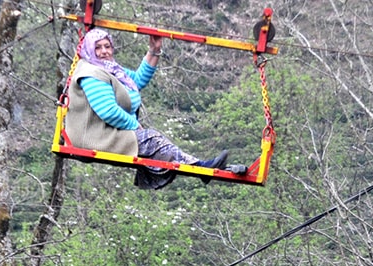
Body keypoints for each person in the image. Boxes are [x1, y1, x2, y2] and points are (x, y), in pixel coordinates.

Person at [65, 28, 247, 189]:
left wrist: (154, 51)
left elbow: (135, 82)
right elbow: (108, 111)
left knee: (154, 142)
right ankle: (201, 168)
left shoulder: (110, 69)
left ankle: (202, 167)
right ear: (89, 49)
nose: (104, 51)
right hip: (93, 137)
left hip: (106, 133)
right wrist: (134, 125)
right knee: (152, 139)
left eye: (107, 46)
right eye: (98, 47)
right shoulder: (91, 74)